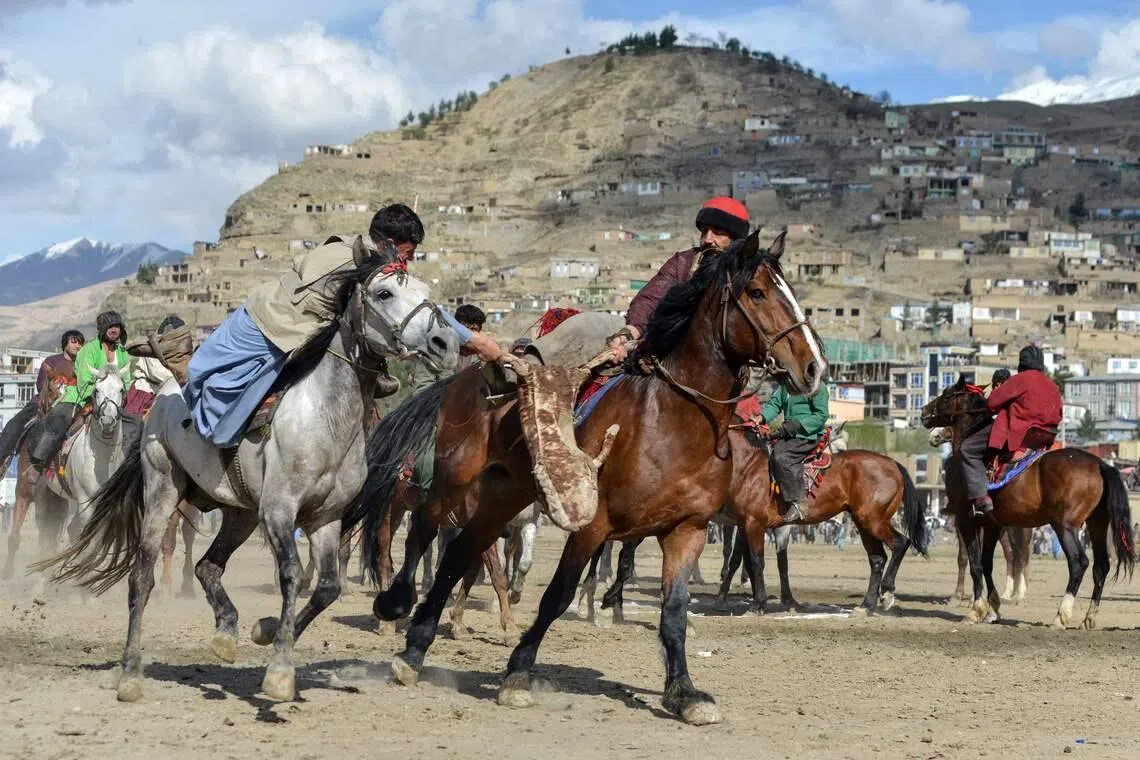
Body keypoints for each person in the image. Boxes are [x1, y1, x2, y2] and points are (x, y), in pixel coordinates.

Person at [184, 203, 504, 448]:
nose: (407, 264)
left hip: (298, 333)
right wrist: (475, 341)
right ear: (389, 245)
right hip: (266, 328)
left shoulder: (372, 263)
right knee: (217, 405)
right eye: (407, 254)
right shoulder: (358, 262)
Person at [607, 196, 751, 361]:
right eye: (705, 231)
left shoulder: (747, 274)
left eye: (718, 233)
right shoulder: (683, 262)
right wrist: (631, 331)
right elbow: (650, 298)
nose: (707, 239)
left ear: (735, 241)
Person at [961, 345, 1062, 516]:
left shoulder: (1020, 380)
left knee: (967, 449)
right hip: (1044, 438)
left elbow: (992, 403)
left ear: (1021, 364)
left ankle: (980, 497)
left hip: (1021, 433)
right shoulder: (1053, 386)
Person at [28, 311, 130, 472]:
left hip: (115, 399)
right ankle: (38, 463)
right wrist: (99, 396)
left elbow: (127, 380)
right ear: (102, 329)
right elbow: (83, 380)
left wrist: (121, 397)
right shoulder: (88, 350)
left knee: (137, 425)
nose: (114, 329)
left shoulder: (123, 352)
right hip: (83, 396)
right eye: (110, 326)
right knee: (58, 419)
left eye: (116, 326)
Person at [0, 330, 84, 468]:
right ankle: (2, 458)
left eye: (80, 343)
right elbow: (41, 385)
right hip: (43, 403)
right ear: (65, 344)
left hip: (71, 406)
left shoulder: (82, 365)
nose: (78, 346)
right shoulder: (51, 361)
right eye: (74, 342)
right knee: (15, 424)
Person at [754, 381, 830, 523]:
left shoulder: (817, 386)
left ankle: (799, 501)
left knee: (781, 456)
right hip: (788, 433)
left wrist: (797, 426)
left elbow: (821, 416)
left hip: (808, 435)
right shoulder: (785, 385)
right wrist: (762, 418)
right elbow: (774, 405)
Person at [124, 315, 185, 418]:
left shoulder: (177, 351)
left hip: (164, 392)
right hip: (144, 393)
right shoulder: (151, 347)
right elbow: (158, 373)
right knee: (135, 427)